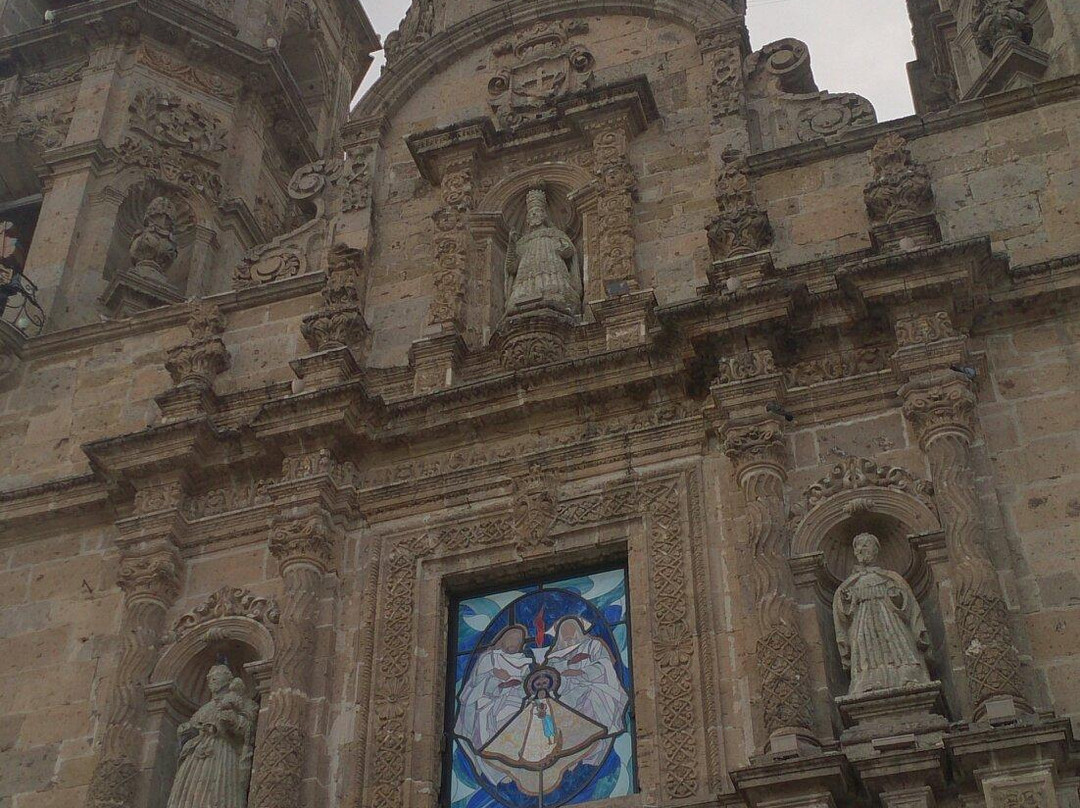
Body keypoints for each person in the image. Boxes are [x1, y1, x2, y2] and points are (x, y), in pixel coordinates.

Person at [834, 533, 933, 696]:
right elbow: (843, 613)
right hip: (863, 622)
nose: (862, 549)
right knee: (865, 649)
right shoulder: (851, 583)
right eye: (859, 546)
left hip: (890, 619)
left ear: (876, 550)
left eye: (866, 545)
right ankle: (868, 682)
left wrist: (896, 597)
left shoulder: (891, 578)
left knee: (899, 643)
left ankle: (908, 676)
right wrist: (847, 600)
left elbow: (908, 605)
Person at [166, 665, 258, 808]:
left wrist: (233, 721)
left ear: (228, 679)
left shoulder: (241, 701)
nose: (212, 679)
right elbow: (192, 729)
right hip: (197, 756)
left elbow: (250, 730)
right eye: (210, 678)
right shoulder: (205, 708)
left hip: (223, 751)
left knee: (218, 795)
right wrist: (187, 730)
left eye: (217, 675)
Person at [504, 189, 582, 317]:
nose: (534, 214)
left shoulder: (555, 233)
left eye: (537, 211)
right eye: (531, 213)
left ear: (544, 215)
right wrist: (512, 244)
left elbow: (568, 253)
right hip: (526, 280)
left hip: (553, 274)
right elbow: (512, 267)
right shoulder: (522, 242)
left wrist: (561, 244)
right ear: (527, 219)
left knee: (554, 289)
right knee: (520, 295)